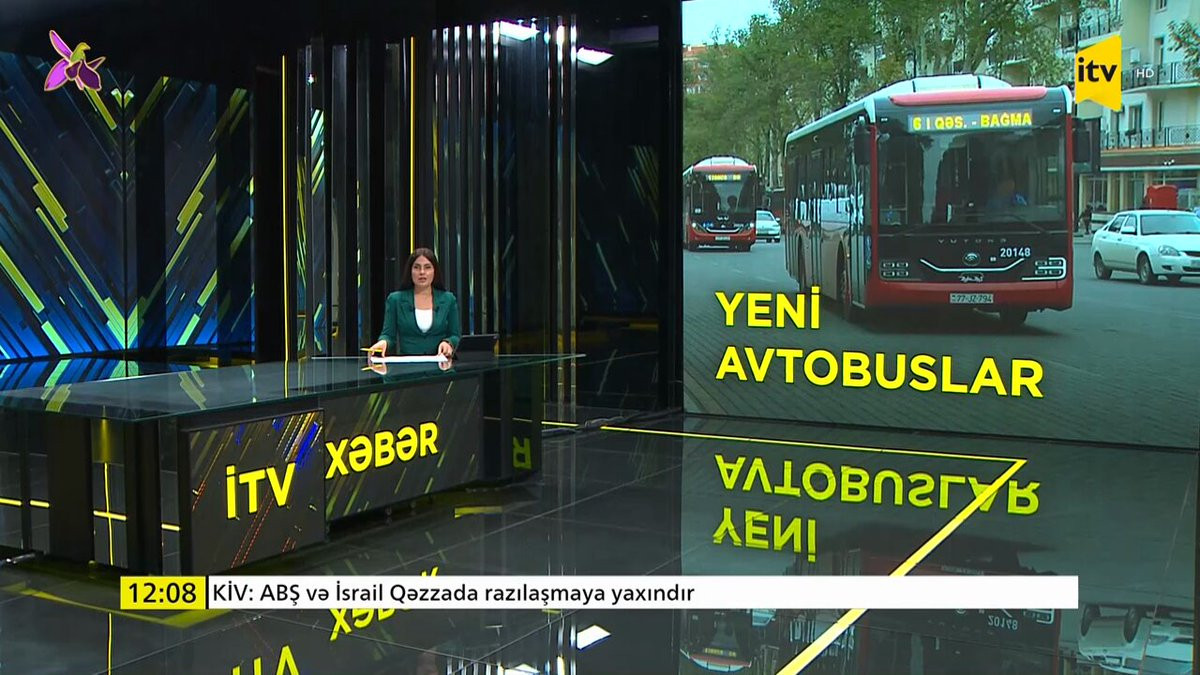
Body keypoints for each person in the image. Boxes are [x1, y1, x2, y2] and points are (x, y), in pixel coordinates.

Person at [367, 248, 461, 358]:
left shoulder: (448, 299)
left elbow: (455, 335)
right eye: (417, 267)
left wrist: (448, 343)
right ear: (410, 271)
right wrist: (383, 342)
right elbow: (388, 335)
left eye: (427, 267)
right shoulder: (395, 300)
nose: (422, 272)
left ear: (434, 271)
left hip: (440, 365)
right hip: (408, 365)